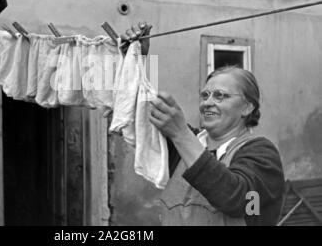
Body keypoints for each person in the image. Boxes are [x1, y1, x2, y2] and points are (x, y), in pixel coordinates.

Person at [121, 26, 285, 226]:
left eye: (220, 95)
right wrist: (134, 59)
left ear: (247, 107)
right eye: (205, 95)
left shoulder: (261, 153)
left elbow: (238, 199)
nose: (207, 102)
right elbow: (137, 115)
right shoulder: (182, 146)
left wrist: (181, 134)